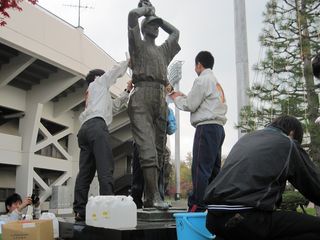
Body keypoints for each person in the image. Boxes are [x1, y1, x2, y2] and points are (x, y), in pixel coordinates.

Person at [204, 115, 320, 240]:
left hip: (213, 218)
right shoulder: (287, 143)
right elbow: (314, 185)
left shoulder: (246, 139)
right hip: (247, 219)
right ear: (292, 133)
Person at [127, 0, 180, 210]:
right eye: (152, 24)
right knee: (147, 148)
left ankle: (151, 197)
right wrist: (146, 11)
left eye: (157, 25)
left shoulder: (164, 51)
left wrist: (158, 17)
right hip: (141, 95)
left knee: (159, 151)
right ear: (144, 27)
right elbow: (132, 15)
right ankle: (155, 196)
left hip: (159, 97)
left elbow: (175, 32)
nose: (156, 28)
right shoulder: (138, 45)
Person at [73, 60, 132, 221]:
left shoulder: (96, 95)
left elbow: (115, 106)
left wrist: (127, 90)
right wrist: (129, 61)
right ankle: (108, 208)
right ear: (98, 77)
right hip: (97, 127)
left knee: (85, 172)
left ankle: (79, 210)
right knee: (105, 168)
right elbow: (113, 72)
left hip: (84, 130)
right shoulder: (98, 83)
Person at [170, 51, 227, 212]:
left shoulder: (201, 80)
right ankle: (213, 205)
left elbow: (190, 105)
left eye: (196, 66)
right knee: (214, 170)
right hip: (218, 128)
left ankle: (197, 205)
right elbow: (204, 103)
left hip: (206, 128)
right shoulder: (215, 82)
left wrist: (176, 98)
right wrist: (185, 96)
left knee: (200, 169)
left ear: (199, 65)